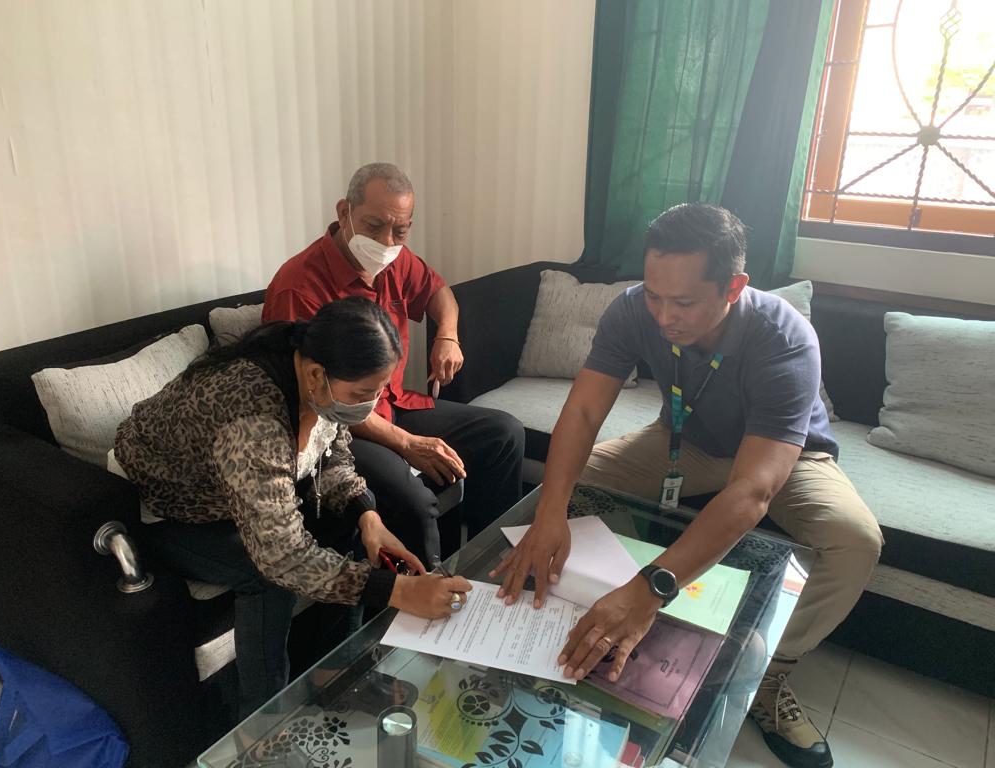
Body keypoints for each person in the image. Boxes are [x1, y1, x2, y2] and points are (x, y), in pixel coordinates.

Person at [492, 204, 882, 768]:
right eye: (655, 295)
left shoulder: (784, 338)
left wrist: (651, 588)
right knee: (573, 484)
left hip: (785, 457)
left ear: (734, 287)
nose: (664, 317)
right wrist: (552, 510)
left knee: (855, 540)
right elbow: (582, 412)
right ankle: (590, 615)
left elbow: (753, 490)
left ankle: (765, 675)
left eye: (683, 302)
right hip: (687, 442)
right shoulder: (633, 309)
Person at [114, 297, 472, 718]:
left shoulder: (316, 380)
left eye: (378, 391)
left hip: (234, 490)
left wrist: (368, 516)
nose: (370, 405)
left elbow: (333, 455)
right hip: (168, 507)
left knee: (349, 525)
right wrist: (398, 591)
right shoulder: (251, 419)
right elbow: (280, 557)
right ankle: (264, 718)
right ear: (317, 374)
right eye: (363, 394)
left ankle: (336, 674)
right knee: (265, 576)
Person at [262, 162, 525, 561]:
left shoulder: (393, 260)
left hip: (394, 403)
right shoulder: (299, 287)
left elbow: (438, 292)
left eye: (400, 231)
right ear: (344, 212)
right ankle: (423, 592)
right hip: (338, 426)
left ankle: (491, 562)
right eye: (374, 226)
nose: (387, 241)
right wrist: (407, 443)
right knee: (413, 502)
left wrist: (447, 335)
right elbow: (316, 398)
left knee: (504, 433)